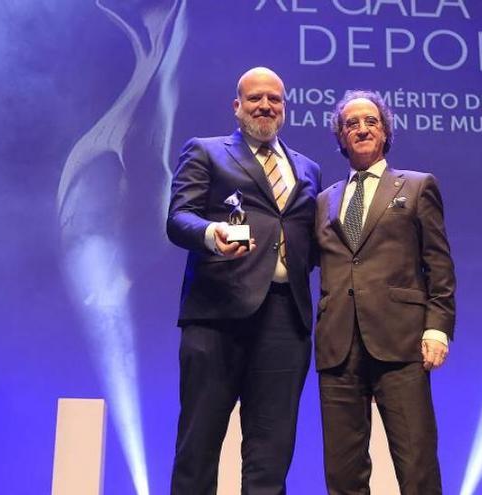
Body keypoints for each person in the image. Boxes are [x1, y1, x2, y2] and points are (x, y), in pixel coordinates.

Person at [166, 67, 321, 494]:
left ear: (285, 108)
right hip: (217, 316)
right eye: (255, 98)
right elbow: (178, 218)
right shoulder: (206, 151)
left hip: (285, 321)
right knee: (198, 447)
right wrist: (211, 236)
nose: (265, 106)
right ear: (237, 107)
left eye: (274, 99)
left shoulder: (308, 168)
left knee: (270, 455)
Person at [314, 90, 456, 494]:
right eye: (351, 124)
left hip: (402, 342)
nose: (361, 128)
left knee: (417, 466)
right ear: (341, 137)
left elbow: (439, 265)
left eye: (370, 121)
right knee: (343, 474)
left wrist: (437, 328)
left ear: (385, 132)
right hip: (337, 346)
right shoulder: (324, 201)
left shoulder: (416, 187)